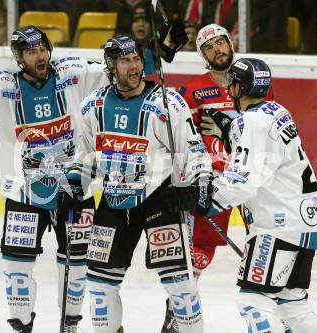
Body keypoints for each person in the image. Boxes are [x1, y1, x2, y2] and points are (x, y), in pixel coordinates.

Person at [0, 23, 187, 333]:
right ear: (19, 57)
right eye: (32, 52)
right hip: (24, 194)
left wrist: (159, 52)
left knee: (76, 267)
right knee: (16, 273)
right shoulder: (1, 86)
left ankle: (69, 326)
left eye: (43, 48)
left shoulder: (72, 73)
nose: (40, 55)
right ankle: (21, 326)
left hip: (75, 189)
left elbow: (117, 70)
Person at [60, 34, 212, 333]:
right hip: (113, 202)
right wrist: (74, 187)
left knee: (181, 286)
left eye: (136, 59)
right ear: (110, 66)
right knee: (100, 286)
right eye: (124, 60)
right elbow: (84, 154)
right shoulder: (93, 106)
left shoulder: (167, 103)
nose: (133, 66)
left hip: (161, 200)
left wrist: (196, 186)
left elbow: (194, 150)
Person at [200, 57, 317, 333]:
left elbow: (243, 183)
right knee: (293, 304)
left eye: (231, 84)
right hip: (307, 222)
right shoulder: (278, 110)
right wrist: (231, 127)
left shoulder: (251, 124)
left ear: (238, 88)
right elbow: (259, 140)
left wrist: (206, 198)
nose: (228, 89)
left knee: (253, 302)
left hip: (277, 225)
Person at [161, 23, 238, 333]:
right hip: (212, 181)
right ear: (203, 55)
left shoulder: (251, 80)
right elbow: (177, 130)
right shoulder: (193, 89)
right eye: (209, 46)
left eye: (221, 42)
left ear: (231, 44)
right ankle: (177, 312)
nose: (217, 49)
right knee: (199, 252)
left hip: (248, 177)